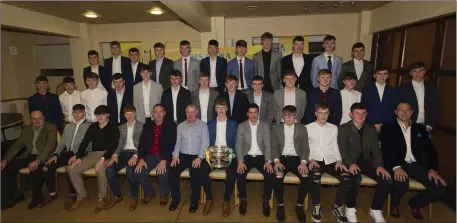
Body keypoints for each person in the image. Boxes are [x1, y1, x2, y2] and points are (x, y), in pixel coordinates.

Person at [381, 102, 446, 220]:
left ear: (411, 112)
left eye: (407, 110)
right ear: (396, 112)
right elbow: (386, 151)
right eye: (401, 110)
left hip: (417, 165)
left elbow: (430, 151)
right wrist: (396, 167)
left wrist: (432, 169)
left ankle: (415, 203)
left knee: (439, 186)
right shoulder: (387, 128)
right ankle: (394, 203)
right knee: (401, 183)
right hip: (397, 163)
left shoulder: (420, 128)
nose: (404, 113)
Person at [338, 103, 392, 223]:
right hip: (350, 161)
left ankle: (376, 208)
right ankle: (350, 207)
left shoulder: (371, 129)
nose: (360, 116)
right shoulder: (343, 128)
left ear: (366, 115)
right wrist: (351, 163)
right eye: (357, 113)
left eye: (363, 113)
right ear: (351, 114)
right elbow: (342, 150)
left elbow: (376, 150)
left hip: (367, 162)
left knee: (386, 179)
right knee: (355, 179)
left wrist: (379, 166)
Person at [66, 105, 120, 213]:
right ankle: (82, 196)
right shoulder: (93, 127)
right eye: (97, 115)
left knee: (100, 170)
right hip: (92, 154)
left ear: (108, 115)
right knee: (72, 169)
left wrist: (104, 158)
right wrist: (79, 157)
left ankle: (102, 198)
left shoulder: (113, 127)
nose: (100, 117)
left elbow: (113, 145)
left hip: (107, 153)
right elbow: (85, 142)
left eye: (103, 114)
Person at [1, 110, 57, 210]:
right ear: (31, 120)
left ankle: (37, 198)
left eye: (39, 118)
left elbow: (50, 145)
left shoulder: (50, 128)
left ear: (43, 118)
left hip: (44, 156)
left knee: (35, 169)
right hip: (29, 155)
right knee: (6, 167)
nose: (37, 121)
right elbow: (16, 146)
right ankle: (13, 197)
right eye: (34, 119)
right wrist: (5, 160)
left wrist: (38, 160)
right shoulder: (26, 130)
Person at [306, 103, 350, 223]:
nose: (323, 116)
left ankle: (337, 206)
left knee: (346, 177)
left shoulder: (333, 128)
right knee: (315, 176)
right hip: (315, 159)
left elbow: (335, 147)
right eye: (320, 113)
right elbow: (305, 147)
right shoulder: (308, 128)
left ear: (329, 114)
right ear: (315, 113)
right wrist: (310, 159)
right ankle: (316, 206)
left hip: (331, 160)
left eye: (326, 113)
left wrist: (339, 161)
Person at [168, 104, 213, 215]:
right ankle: (175, 199)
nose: (190, 114)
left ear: (197, 112)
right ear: (185, 113)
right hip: (183, 155)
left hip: (197, 155)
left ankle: (194, 201)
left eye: (193, 112)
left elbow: (205, 143)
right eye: (188, 112)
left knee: (195, 175)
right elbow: (178, 143)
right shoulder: (180, 126)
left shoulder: (203, 126)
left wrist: (199, 157)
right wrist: (175, 156)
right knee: (172, 172)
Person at [43, 104, 90, 209]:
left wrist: (78, 155)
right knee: (48, 165)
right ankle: (52, 192)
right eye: (75, 112)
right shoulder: (68, 126)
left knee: (70, 167)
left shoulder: (89, 126)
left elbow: (88, 145)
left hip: (81, 154)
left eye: (80, 112)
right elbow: (62, 143)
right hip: (68, 153)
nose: (77, 114)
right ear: (72, 114)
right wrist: (55, 154)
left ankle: (73, 194)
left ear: (84, 113)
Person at [271, 105, 310, 222]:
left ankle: (299, 205)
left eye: (291, 116)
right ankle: (281, 205)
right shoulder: (276, 128)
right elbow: (274, 148)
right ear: (283, 116)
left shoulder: (302, 128)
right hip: (282, 157)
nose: (289, 118)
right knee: (278, 175)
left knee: (306, 176)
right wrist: (277, 162)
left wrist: (303, 162)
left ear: (295, 116)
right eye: (286, 116)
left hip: (296, 158)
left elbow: (305, 148)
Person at [235, 103, 274, 217]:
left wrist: (268, 161)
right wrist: (240, 161)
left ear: (258, 113)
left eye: (255, 112)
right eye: (250, 113)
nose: (253, 115)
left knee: (270, 174)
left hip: (261, 157)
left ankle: (266, 200)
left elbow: (268, 145)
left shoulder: (265, 125)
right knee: (240, 174)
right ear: (247, 114)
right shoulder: (242, 126)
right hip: (246, 156)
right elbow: (239, 145)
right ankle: (243, 199)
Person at [135, 104, 176, 208]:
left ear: (164, 113)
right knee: (139, 171)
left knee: (161, 172)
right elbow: (142, 144)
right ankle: (149, 192)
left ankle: (164, 193)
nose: (158, 114)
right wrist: (141, 159)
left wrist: (164, 160)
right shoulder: (147, 126)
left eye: (160, 111)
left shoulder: (171, 126)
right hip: (150, 156)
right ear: (152, 114)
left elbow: (172, 144)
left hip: (164, 155)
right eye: (155, 112)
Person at [105, 105, 144, 210]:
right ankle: (117, 195)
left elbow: (144, 144)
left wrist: (136, 155)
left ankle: (134, 196)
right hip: (124, 152)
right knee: (109, 168)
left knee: (131, 171)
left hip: (136, 153)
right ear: (124, 115)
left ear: (135, 114)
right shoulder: (121, 127)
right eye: (127, 114)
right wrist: (115, 155)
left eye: (131, 114)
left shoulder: (142, 126)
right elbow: (119, 143)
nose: (129, 116)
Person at [207, 98, 238, 217]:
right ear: (215, 109)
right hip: (213, 154)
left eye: (223, 108)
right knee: (201, 171)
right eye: (218, 108)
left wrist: (232, 154)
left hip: (228, 154)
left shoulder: (233, 124)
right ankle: (209, 199)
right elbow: (206, 142)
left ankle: (226, 200)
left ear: (227, 109)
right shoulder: (209, 124)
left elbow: (236, 142)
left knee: (232, 173)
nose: (221, 110)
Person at [399, 62, 440, 132]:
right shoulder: (402, 89)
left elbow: (435, 109)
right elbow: (398, 109)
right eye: (414, 71)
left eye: (420, 70)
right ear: (410, 73)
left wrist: (429, 126)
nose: (418, 74)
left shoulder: (432, 89)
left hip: (426, 127)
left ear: (424, 71)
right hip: (407, 126)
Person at [361, 67, 399, 132]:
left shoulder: (393, 91)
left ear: (388, 76)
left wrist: (383, 124)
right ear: (374, 75)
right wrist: (373, 123)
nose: (382, 76)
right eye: (379, 74)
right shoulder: (366, 90)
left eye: (384, 74)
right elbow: (364, 108)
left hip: (388, 125)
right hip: (370, 125)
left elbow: (394, 109)